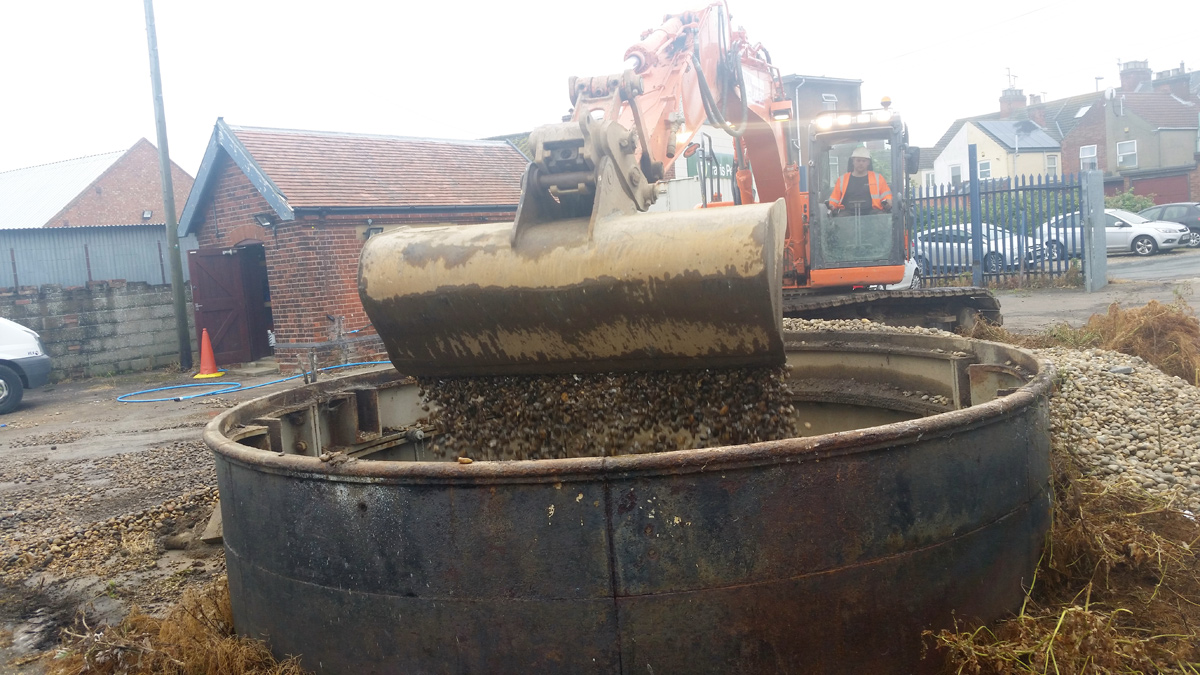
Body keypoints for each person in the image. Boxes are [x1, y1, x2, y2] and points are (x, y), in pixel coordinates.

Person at [828, 147, 891, 216]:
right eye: (858, 160)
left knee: (881, 216)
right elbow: (834, 199)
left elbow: (886, 195)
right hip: (847, 215)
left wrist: (888, 201)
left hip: (872, 214)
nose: (861, 163)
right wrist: (831, 205)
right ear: (853, 161)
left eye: (864, 161)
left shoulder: (878, 178)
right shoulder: (842, 179)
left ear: (868, 162)